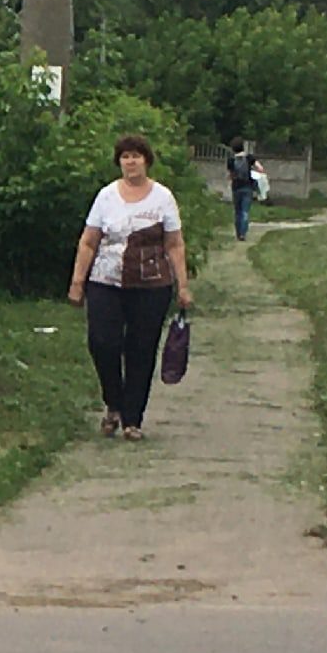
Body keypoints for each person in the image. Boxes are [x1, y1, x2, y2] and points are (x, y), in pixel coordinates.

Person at [69, 134, 194, 442]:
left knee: (141, 349)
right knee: (102, 342)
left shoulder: (162, 198)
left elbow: (174, 244)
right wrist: (77, 282)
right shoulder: (106, 196)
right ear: (119, 162)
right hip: (105, 282)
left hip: (151, 286)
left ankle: (132, 419)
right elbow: (88, 241)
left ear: (146, 160)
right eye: (125, 157)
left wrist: (183, 285)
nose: (131, 162)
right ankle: (114, 401)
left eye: (137, 156)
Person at [226, 138, 261, 240]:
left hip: (236, 187)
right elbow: (260, 168)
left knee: (237, 211)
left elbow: (231, 175)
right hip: (248, 187)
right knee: (245, 211)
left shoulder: (231, 160)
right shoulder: (249, 158)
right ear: (242, 146)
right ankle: (243, 234)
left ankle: (238, 233)